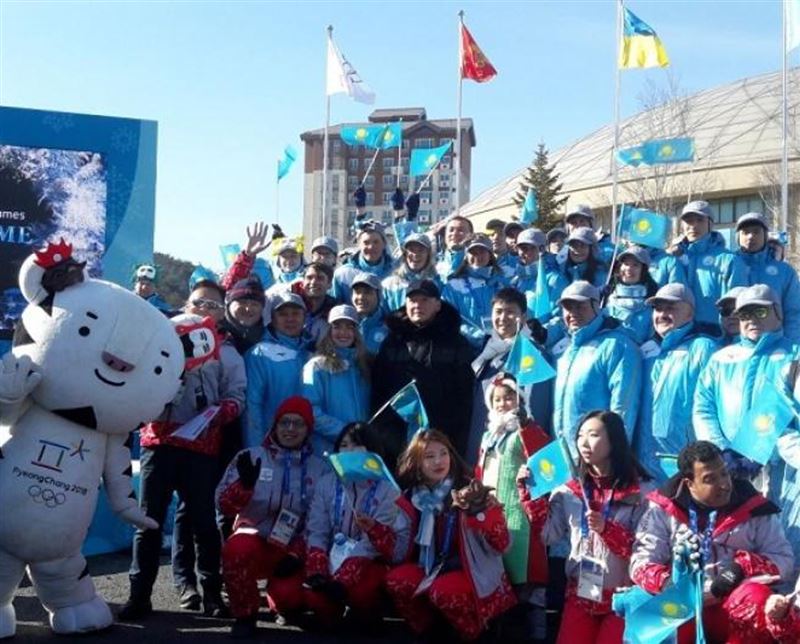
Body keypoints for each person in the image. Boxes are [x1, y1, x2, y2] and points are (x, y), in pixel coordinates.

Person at [120, 309, 246, 620]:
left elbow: (236, 395)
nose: (203, 308)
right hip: (158, 444)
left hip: (201, 445)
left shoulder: (225, 352)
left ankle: (212, 595)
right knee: (148, 521)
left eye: (211, 304)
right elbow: (134, 389)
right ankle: (139, 595)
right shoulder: (157, 342)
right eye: (197, 301)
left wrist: (222, 412)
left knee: (204, 523)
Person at [630, 441, 794, 643]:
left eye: (724, 473)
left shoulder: (754, 507)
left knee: (757, 597)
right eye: (710, 479)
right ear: (690, 484)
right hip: (684, 605)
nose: (724, 484)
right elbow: (641, 563)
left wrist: (741, 567)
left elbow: (784, 561)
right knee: (645, 610)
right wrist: (670, 584)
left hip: (734, 601)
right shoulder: (663, 508)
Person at [517, 410, 651, 644]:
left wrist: (607, 529)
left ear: (614, 441)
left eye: (593, 435)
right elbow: (548, 535)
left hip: (624, 598)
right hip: (582, 592)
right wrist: (531, 496)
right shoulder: (570, 491)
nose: (584, 442)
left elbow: (649, 551)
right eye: (580, 435)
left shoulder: (643, 493)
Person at [385, 430, 516, 641]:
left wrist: (481, 513)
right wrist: (374, 528)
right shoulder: (412, 498)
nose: (439, 461)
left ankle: (475, 634)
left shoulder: (470, 491)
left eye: (443, 453)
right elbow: (398, 552)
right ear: (417, 463)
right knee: (397, 580)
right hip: (430, 567)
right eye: (429, 456)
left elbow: (502, 544)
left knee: (444, 591)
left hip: (470, 572)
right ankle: (428, 632)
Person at [217, 396, 326, 639]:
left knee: (290, 597)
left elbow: (321, 520)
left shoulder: (320, 469)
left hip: (291, 547)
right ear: (274, 425)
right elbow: (223, 505)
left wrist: (298, 552)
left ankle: (283, 604)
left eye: (298, 424)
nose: (290, 429)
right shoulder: (251, 457)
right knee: (236, 549)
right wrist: (243, 487)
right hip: (255, 539)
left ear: (308, 430)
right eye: (284, 422)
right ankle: (244, 615)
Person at [693, 284, 797, 498]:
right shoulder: (721, 359)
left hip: (783, 468)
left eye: (760, 311)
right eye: (744, 314)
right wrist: (721, 452)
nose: (751, 320)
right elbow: (704, 408)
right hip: (729, 468)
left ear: (778, 313)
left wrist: (765, 450)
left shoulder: (794, 356)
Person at [303, 423, 400, 628]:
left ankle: (368, 612)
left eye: (356, 445)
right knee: (315, 597)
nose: (348, 451)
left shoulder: (388, 490)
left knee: (361, 594)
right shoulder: (326, 483)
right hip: (333, 556)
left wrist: (344, 578)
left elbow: (372, 545)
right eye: (344, 445)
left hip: (370, 561)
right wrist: (318, 569)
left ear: (371, 450)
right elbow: (317, 530)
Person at [476, 375, 550, 642]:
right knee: (498, 578)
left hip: (521, 518)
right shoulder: (488, 436)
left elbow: (544, 456)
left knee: (526, 585)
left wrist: (526, 425)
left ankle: (535, 635)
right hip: (493, 518)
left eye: (509, 397)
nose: (503, 403)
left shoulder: (524, 429)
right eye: (497, 399)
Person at [371, 280, 475, 464]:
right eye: (412, 300)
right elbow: (379, 391)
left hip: (442, 441)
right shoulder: (393, 342)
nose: (417, 305)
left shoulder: (455, 342)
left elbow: (465, 398)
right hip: (398, 440)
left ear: (437, 304)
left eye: (424, 300)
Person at [635, 284, 718, 482]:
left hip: (684, 462)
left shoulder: (704, 348)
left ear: (690, 313)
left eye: (670, 308)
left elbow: (711, 405)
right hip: (644, 463)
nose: (662, 314)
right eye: (657, 308)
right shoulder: (647, 352)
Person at [552, 281, 642, 458]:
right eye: (568, 307)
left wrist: (615, 456)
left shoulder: (618, 345)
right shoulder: (568, 350)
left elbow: (623, 406)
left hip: (600, 459)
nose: (572, 313)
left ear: (597, 306)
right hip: (567, 456)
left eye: (580, 306)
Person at [469, 288, 554, 461]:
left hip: (514, 452)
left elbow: (535, 410)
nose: (503, 318)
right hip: (486, 447)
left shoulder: (531, 354)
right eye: (498, 312)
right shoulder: (487, 352)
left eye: (510, 312)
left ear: (523, 317)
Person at [301, 305, 371, 456]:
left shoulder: (362, 365)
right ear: (329, 330)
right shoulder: (317, 366)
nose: (343, 333)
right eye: (337, 327)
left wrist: (364, 435)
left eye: (349, 327)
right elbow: (311, 409)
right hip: (327, 450)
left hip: (360, 449)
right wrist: (344, 432)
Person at [244, 291, 309, 447]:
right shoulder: (260, 353)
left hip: (307, 447)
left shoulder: (311, 353)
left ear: (304, 317)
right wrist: (256, 450)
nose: (290, 319)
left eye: (296, 313)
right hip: (271, 445)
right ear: (272, 318)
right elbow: (252, 406)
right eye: (283, 314)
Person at [668, 200, 746, 329]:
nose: (694, 226)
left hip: (717, 334)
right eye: (689, 221)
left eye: (700, 220)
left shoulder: (728, 260)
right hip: (680, 333)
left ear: (710, 224)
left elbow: (737, 303)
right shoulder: (673, 258)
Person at [735, 211, 800, 341]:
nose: (750, 236)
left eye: (756, 231)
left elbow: (794, 311)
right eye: (745, 232)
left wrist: (791, 345)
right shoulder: (728, 265)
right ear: (738, 237)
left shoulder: (784, 271)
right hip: (736, 344)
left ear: (765, 235)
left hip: (775, 344)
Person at [442, 233, 508, 348]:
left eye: (482, 251)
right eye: (473, 252)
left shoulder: (501, 283)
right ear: (466, 256)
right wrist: (479, 338)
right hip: (467, 349)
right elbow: (448, 320)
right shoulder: (454, 285)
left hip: (502, 347)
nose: (478, 256)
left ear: (490, 254)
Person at [511, 227, 568, 326]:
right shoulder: (516, 281)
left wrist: (541, 332)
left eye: (526, 248)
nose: (522, 253)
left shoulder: (555, 279)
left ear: (541, 249)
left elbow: (561, 315)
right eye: (520, 248)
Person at [604, 245, 657, 345]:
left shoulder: (653, 302)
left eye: (635, 265)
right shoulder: (607, 298)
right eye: (626, 264)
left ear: (644, 270)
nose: (629, 268)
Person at [333, 221, 395, 303]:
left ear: (384, 244)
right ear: (359, 245)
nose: (371, 247)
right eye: (366, 243)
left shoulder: (396, 271)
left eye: (376, 242)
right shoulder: (343, 274)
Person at [382, 233, 441, 313]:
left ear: (428, 254)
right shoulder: (389, 285)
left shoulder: (438, 283)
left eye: (421, 250)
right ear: (405, 254)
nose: (416, 255)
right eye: (411, 249)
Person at [292, 262, 336, 349]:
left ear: (329, 284)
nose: (314, 282)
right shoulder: (290, 304)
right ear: (302, 282)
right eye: (309, 278)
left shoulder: (333, 310)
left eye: (320, 278)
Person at [222, 275, 266, 354]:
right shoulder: (217, 333)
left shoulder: (270, 337)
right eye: (242, 302)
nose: (248, 309)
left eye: (254, 304)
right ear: (229, 304)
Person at [350, 272, 388, 356]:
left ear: (379, 296)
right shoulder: (346, 324)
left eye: (367, 292)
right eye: (357, 292)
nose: (361, 297)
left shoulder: (389, 327)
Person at [435, 215, 474, 281]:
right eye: (451, 230)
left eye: (461, 230)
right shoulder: (434, 263)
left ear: (471, 236)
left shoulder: (477, 263)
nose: (455, 234)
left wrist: (458, 252)